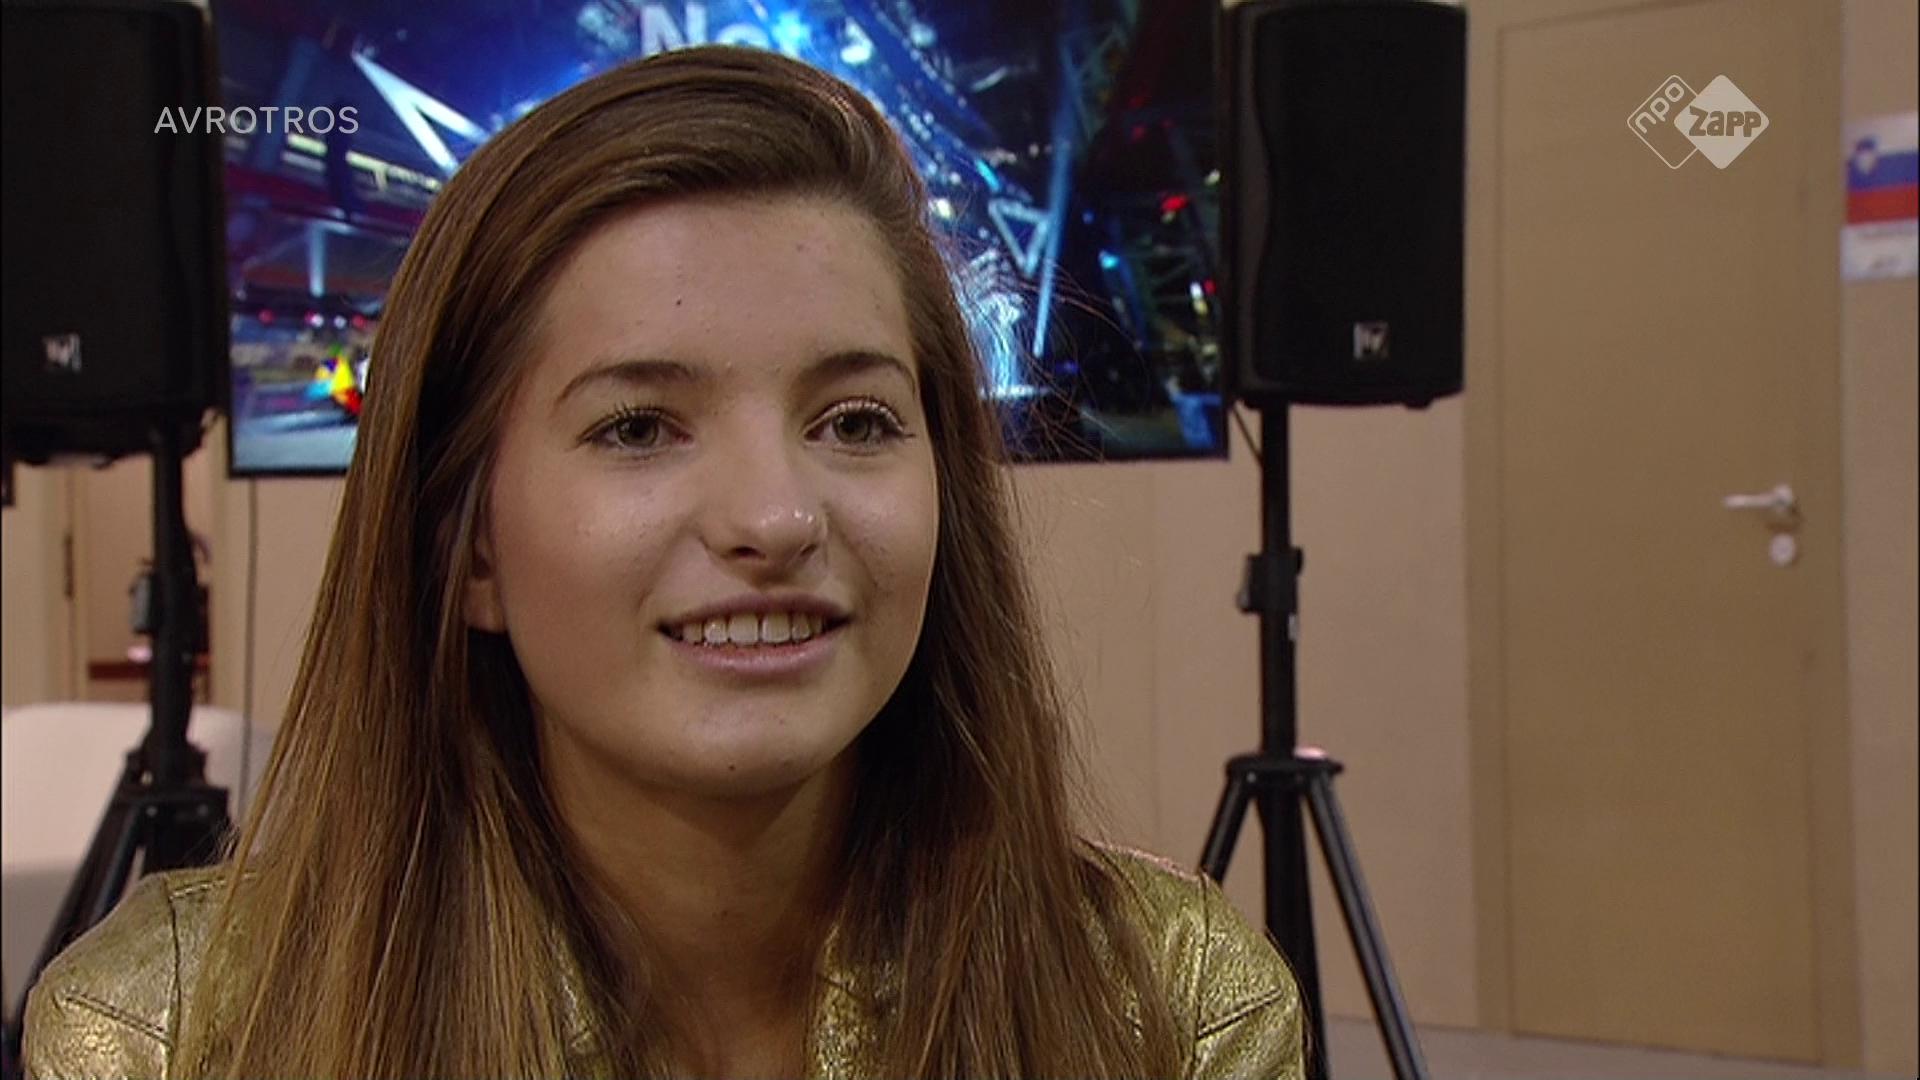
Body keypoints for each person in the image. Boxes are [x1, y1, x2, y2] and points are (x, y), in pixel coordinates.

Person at [23, 46, 1302, 1078]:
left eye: (855, 422)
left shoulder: (1177, 1011)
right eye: (639, 427)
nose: (776, 517)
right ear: (468, 546)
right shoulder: (162, 1036)